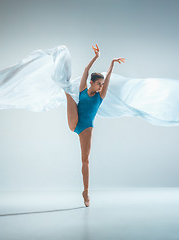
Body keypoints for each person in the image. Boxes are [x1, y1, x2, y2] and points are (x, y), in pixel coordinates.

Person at [63, 44, 125, 207]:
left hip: (86, 128)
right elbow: (85, 70)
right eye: (99, 84)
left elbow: (108, 79)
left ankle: (85, 192)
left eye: (102, 85)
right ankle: (58, 70)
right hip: (75, 121)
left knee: (85, 160)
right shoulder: (83, 89)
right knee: (68, 93)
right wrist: (96, 57)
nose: (101, 87)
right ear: (91, 82)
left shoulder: (100, 97)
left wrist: (111, 64)